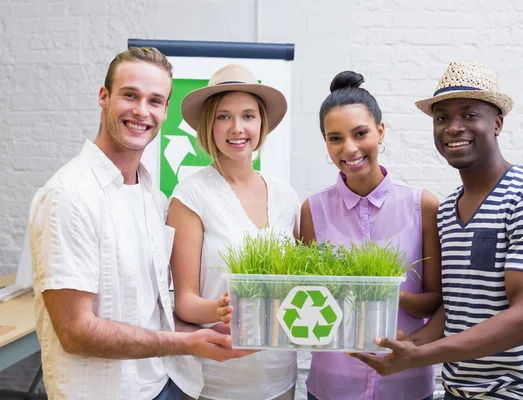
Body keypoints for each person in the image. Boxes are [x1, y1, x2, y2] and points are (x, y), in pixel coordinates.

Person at [28, 47, 252, 400]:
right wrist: (186, 343)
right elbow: (75, 332)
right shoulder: (69, 195)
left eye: (154, 100)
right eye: (130, 95)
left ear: (165, 110)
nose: (141, 111)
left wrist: (215, 330)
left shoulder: (152, 196)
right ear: (104, 97)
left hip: (162, 385)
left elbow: (150, 311)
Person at [351, 61, 523, 400]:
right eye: (442, 118)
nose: (453, 128)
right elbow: (457, 308)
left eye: (469, 115)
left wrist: (421, 357)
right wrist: (412, 344)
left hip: (522, 395)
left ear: (497, 123)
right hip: (458, 392)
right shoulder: (448, 210)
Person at [300, 71, 442, 400]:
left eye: (360, 133)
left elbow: (435, 300)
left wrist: (382, 293)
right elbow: (309, 298)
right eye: (335, 138)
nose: (349, 148)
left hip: (405, 381)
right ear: (326, 142)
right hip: (333, 383)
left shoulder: (422, 205)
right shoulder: (313, 210)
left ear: (380, 132)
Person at [167, 64, 299, 400]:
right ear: (208, 125)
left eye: (248, 116)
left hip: (279, 376)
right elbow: (184, 302)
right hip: (217, 381)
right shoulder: (190, 195)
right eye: (223, 116)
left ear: (261, 123)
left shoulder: (286, 195)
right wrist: (221, 309)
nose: (237, 128)